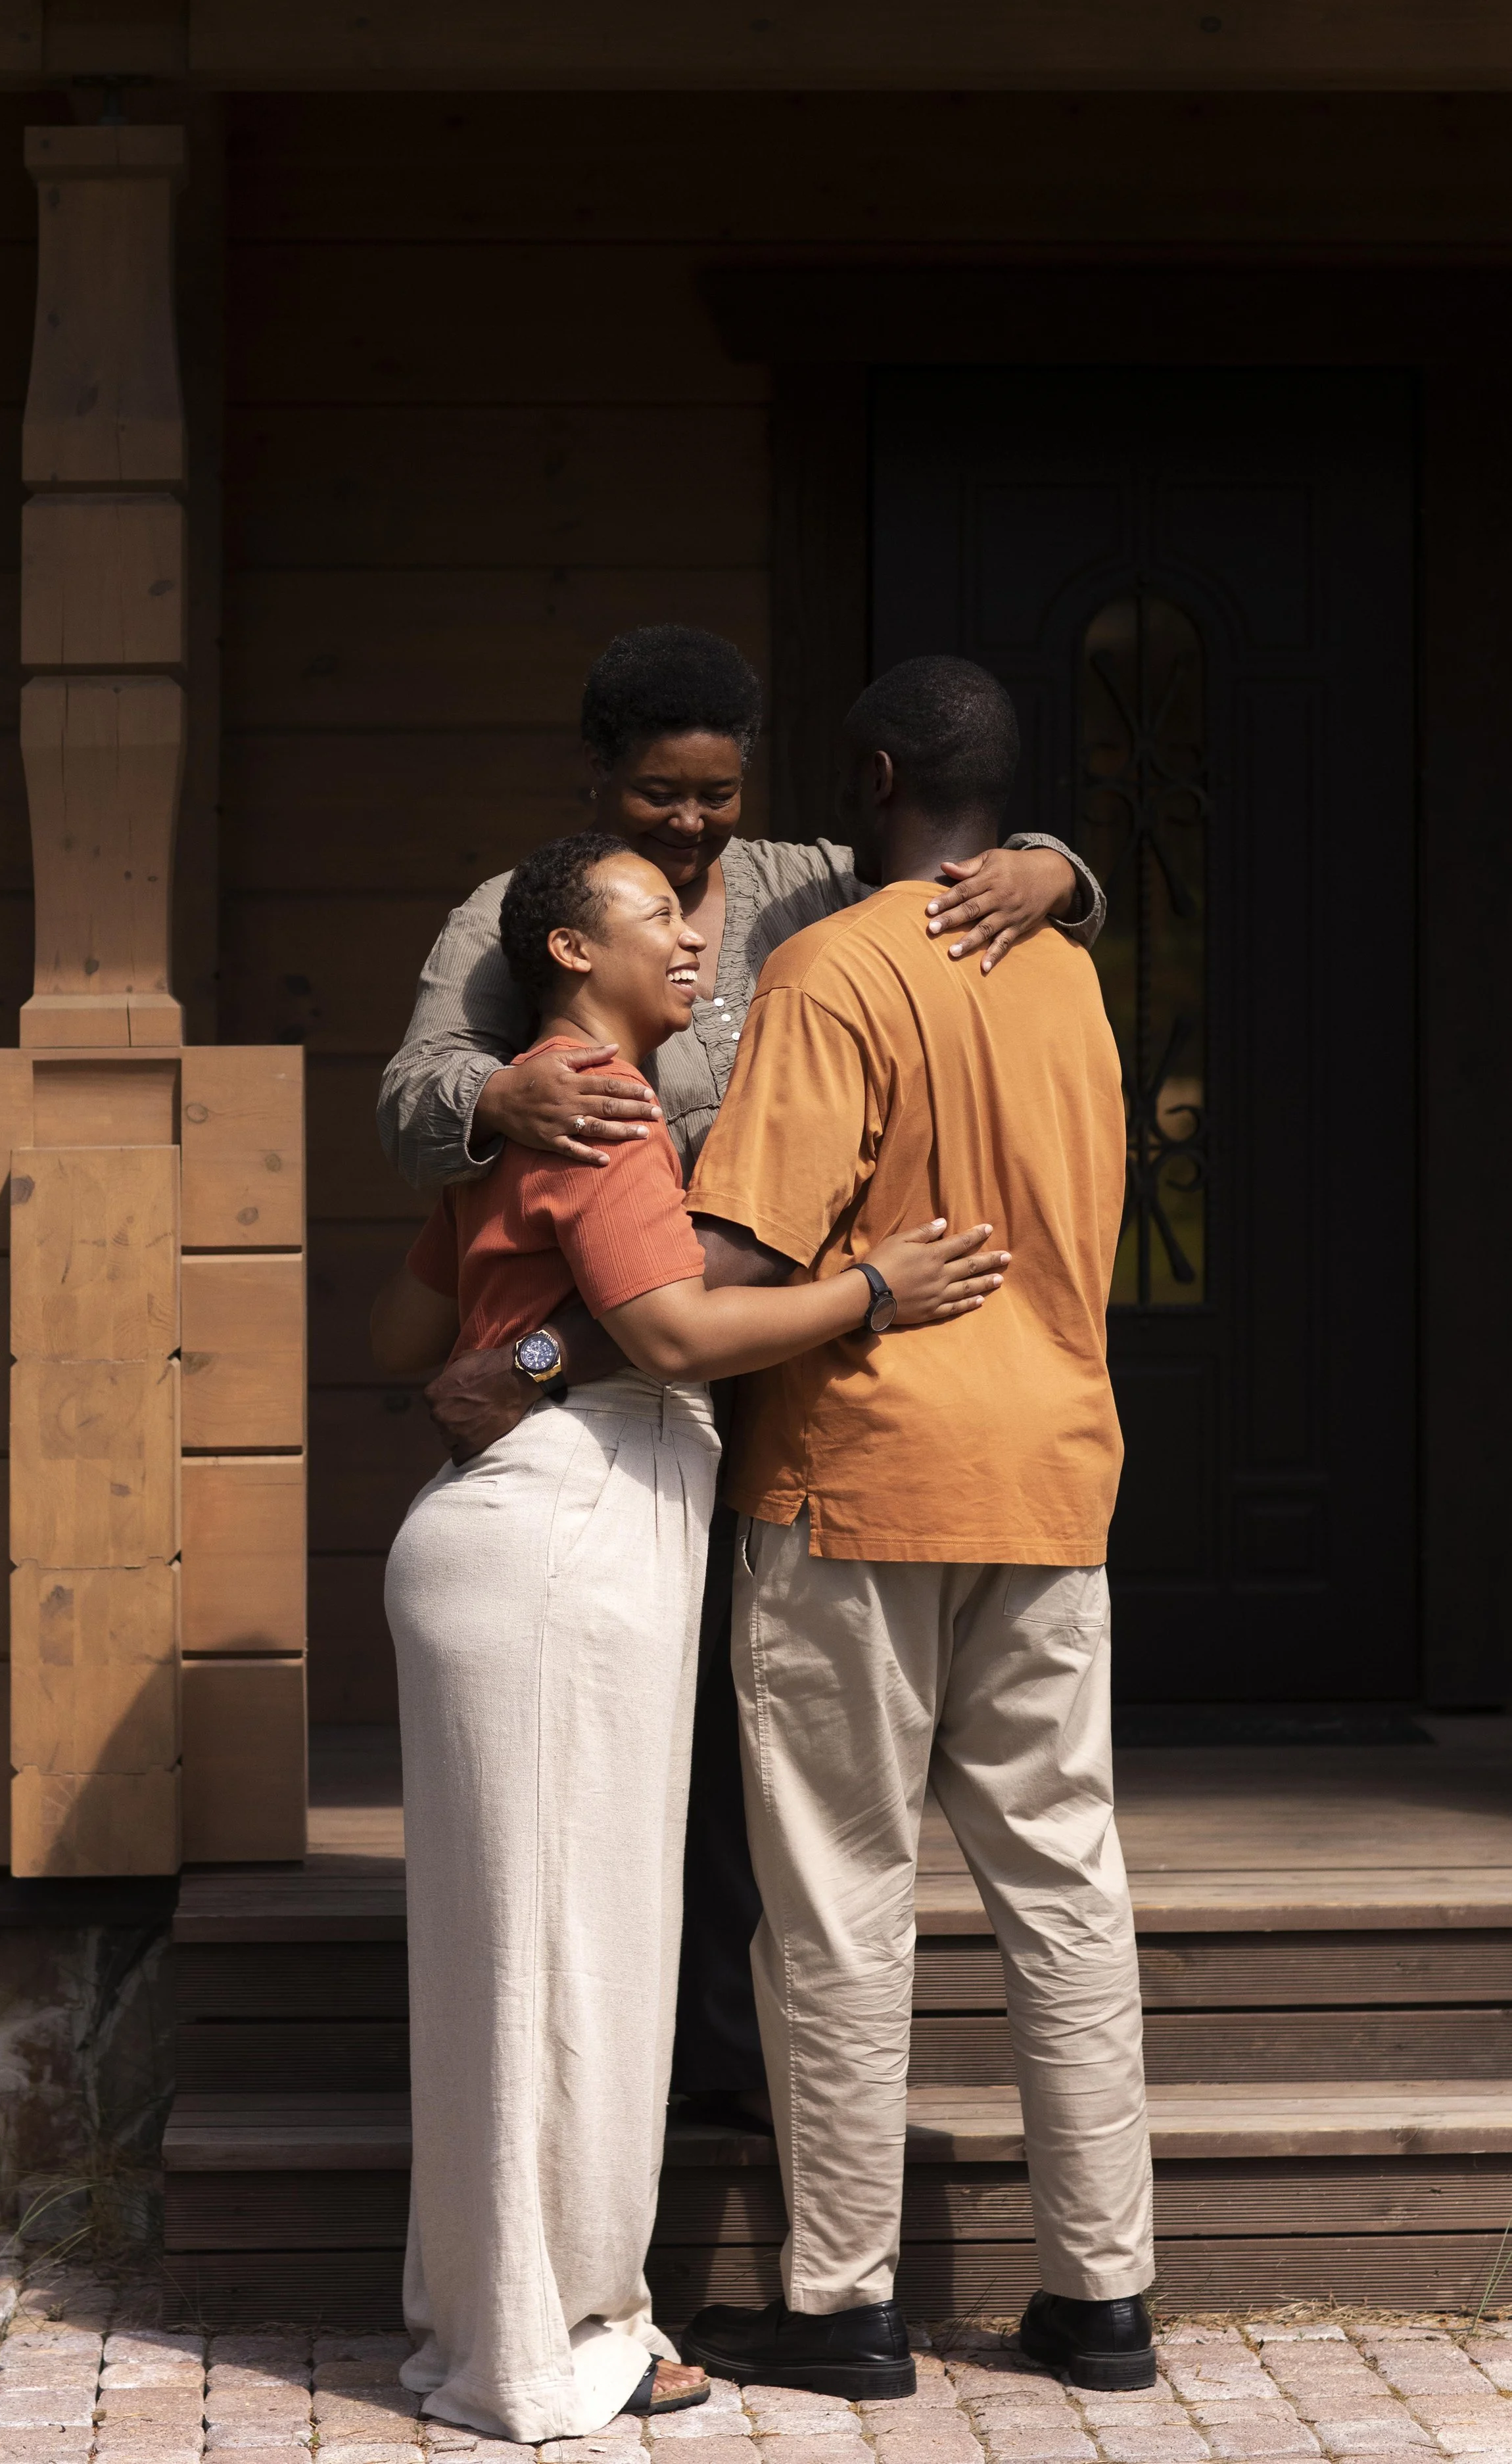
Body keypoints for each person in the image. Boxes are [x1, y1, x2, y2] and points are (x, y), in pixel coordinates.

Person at [377, 625, 1104, 2122]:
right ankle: (621, 2082)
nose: (694, 825)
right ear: (597, 778)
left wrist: (1056, 869)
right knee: (644, 1755)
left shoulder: (806, 888)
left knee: (747, 1755)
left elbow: (946, 853)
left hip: (777, 1380)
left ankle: (725, 2068)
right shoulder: (537, 921)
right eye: (658, 794)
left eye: (716, 793)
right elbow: (411, 1108)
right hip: (618, 1378)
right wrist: (491, 1090)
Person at [371, 829, 1010, 2444]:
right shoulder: (599, 1098)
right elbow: (666, 1331)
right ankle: (548, 2342)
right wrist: (874, 1287)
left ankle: (500, 2318)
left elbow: (409, 1331)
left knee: (512, 1962)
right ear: (570, 951)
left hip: (518, 1524)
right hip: (564, 1537)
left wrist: (514, 1318)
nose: (693, 929)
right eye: (656, 911)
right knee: (570, 1959)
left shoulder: (534, 1101)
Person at [676, 656, 1154, 2400]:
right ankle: (1100, 2297)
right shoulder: (1074, 977)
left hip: (858, 1475)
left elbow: (737, 1254)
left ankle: (840, 2301)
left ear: (869, 774)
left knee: (835, 1894)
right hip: (1051, 1473)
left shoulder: (827, 969)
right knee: (1064, 1881)